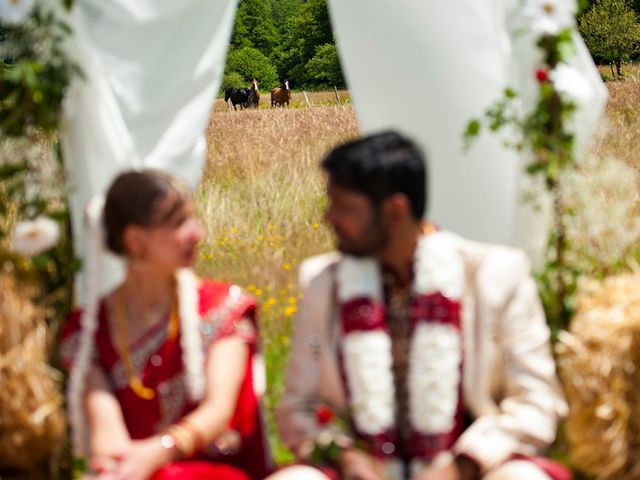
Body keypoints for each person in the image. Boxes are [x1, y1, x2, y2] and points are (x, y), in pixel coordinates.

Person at [277, 132, 569, 480]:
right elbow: (299, 409)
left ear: (395, 211)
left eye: (345, 207)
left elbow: (537, 403)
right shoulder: (324, 283)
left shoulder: (495, 274)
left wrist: (462, 466)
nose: (329, 218)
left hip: (472, 469)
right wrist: (348, 459)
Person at [61, 170, 272, 480]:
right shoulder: (90, 329)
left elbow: (218, 411)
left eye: (192, 219)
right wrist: (121, 467)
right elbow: (107, 434)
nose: (196, 233)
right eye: (178, 223)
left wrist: (159, 452)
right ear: (136, 239)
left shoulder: (222, 307)